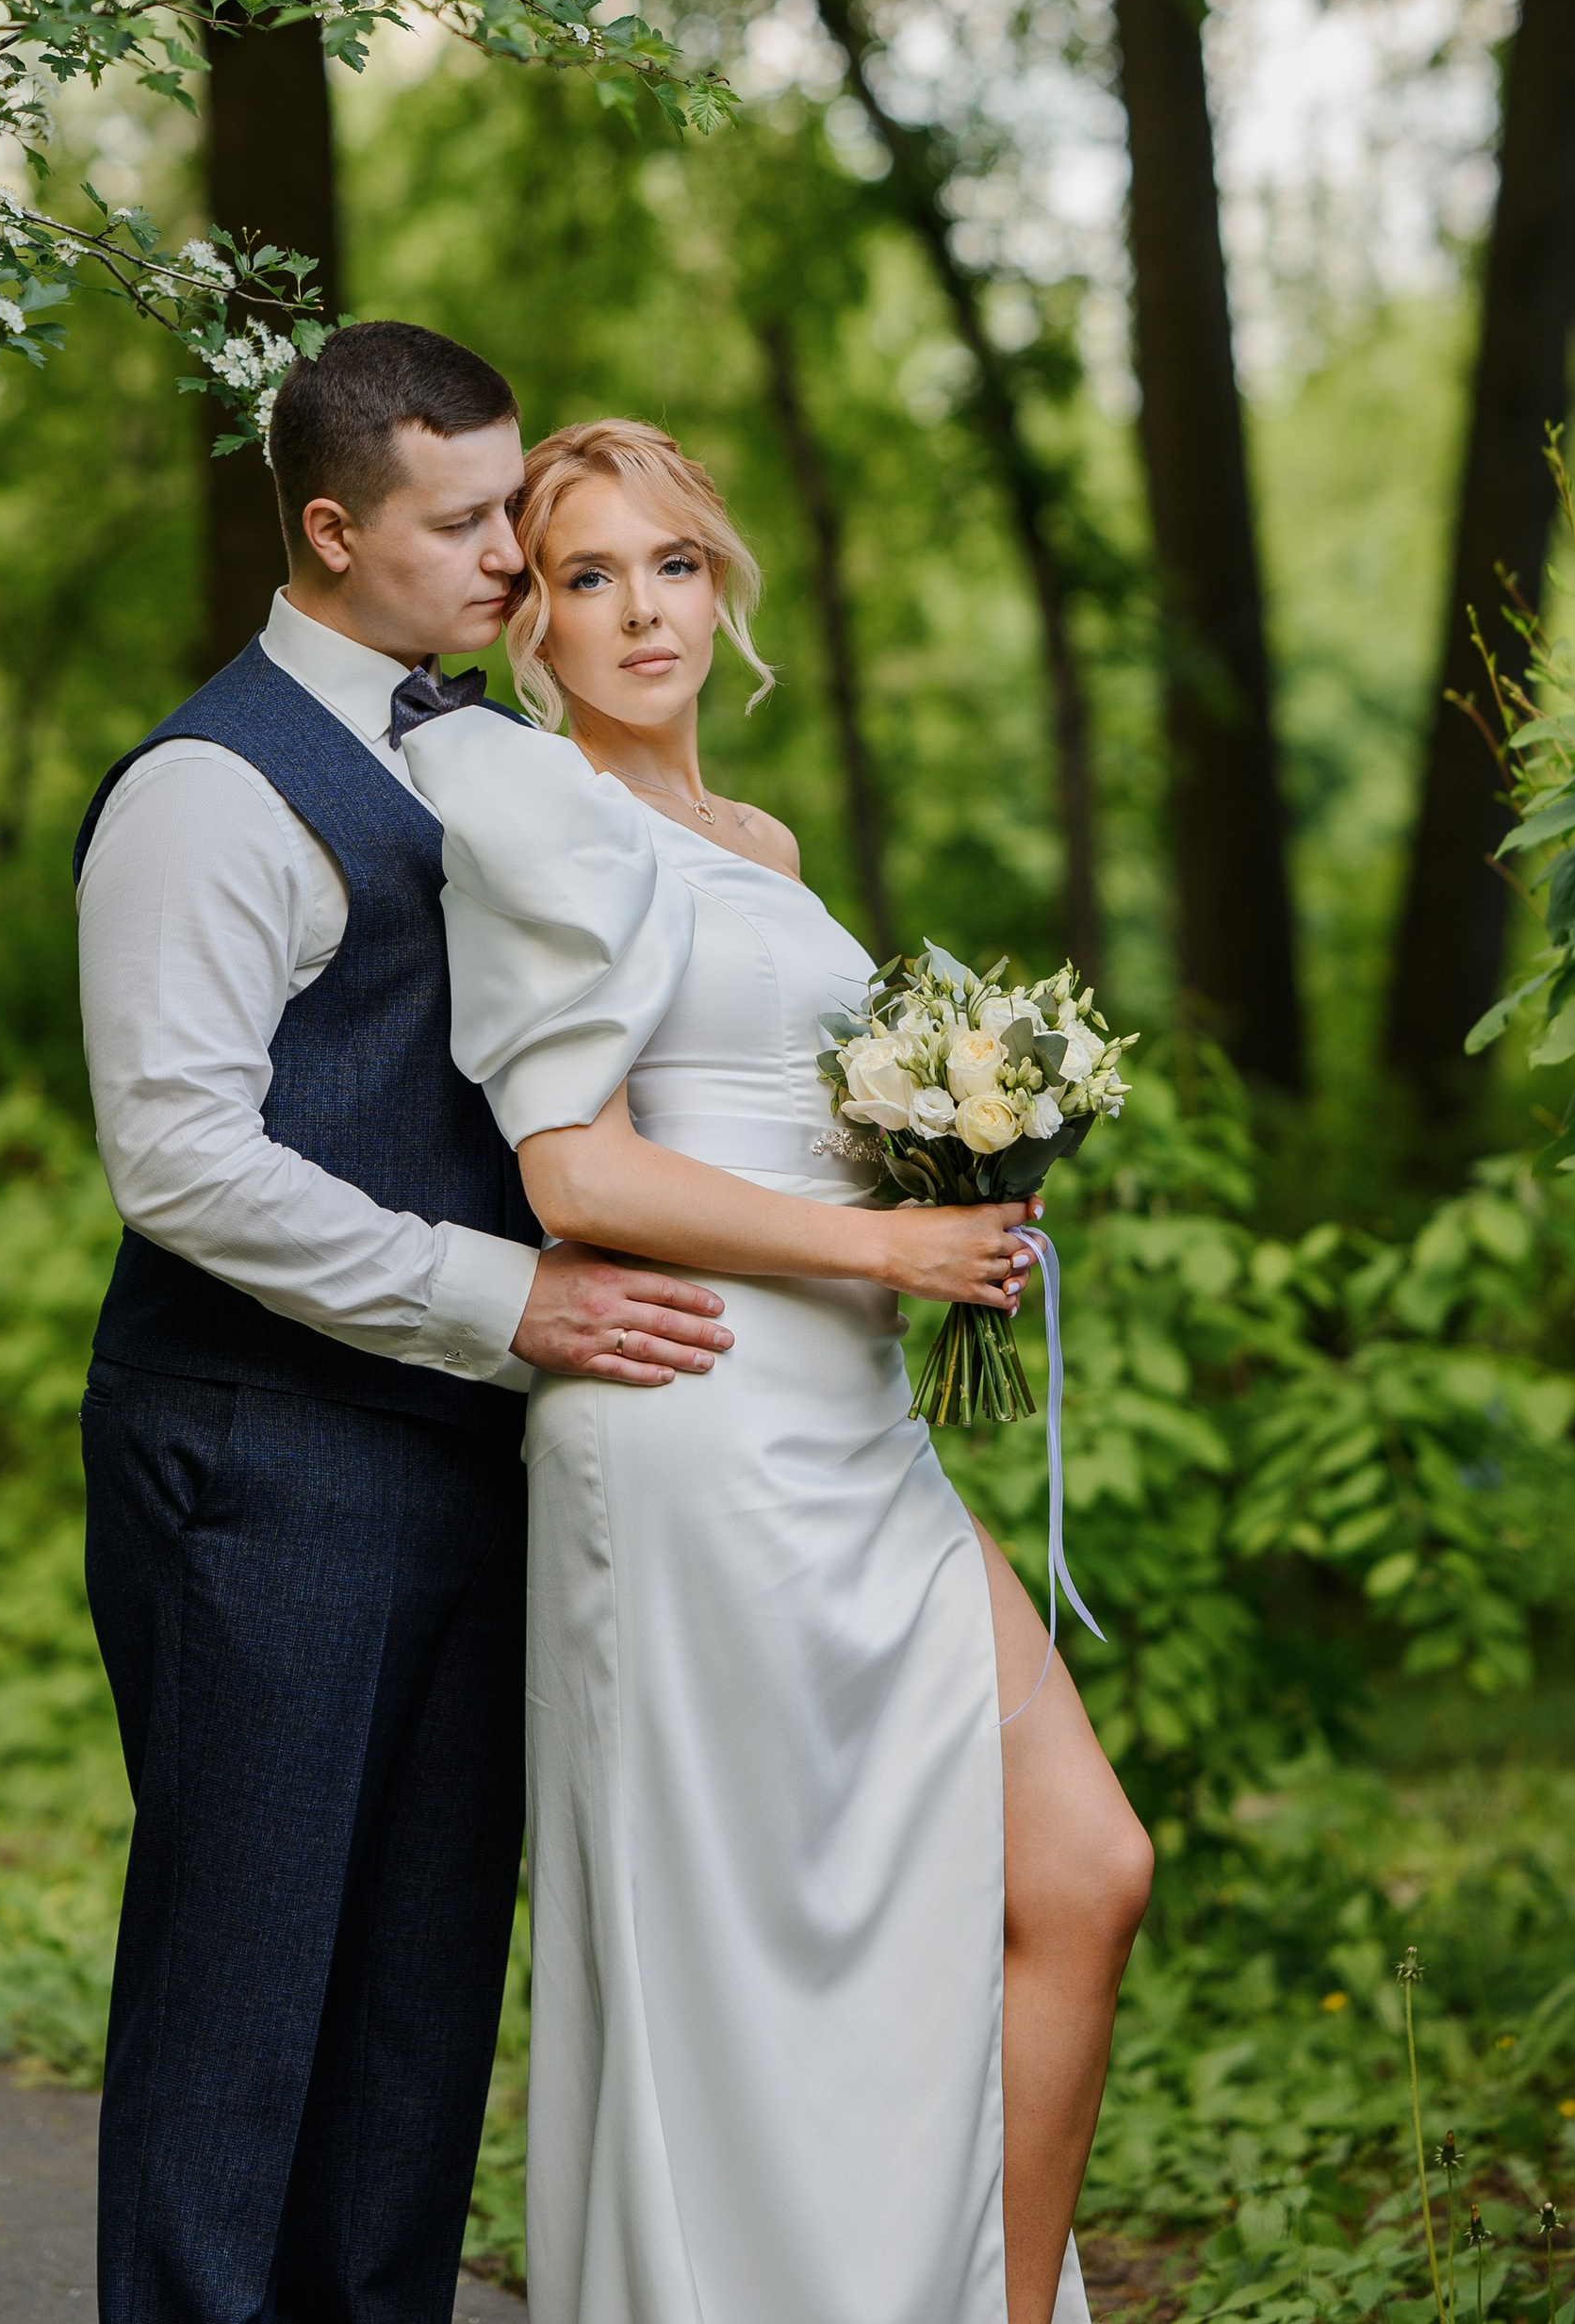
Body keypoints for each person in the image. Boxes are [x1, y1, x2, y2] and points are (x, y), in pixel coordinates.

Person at [404, 417, 1154, 2324]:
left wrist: (958, 1186)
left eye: (666, 561)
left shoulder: (759, 844)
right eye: (584, 576)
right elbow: (572, 1167)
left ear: (717, 581)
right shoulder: (531, 814)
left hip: (858, 1429)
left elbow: (774, 1115)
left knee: (1081, 1870)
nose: (636, 606)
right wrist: (877, 1244)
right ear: (532, 628)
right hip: (691, 1426)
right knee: (751, 1963)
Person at [73, 328, 736, 2324]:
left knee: (417, 2002)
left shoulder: (474, 753)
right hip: (257, 1457)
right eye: (465, 525)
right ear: (332, 526)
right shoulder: (208, 788)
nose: (513, 562)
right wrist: (506, 1294)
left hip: (464, 1454)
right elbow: (177, 1160)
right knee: (244, 1994)